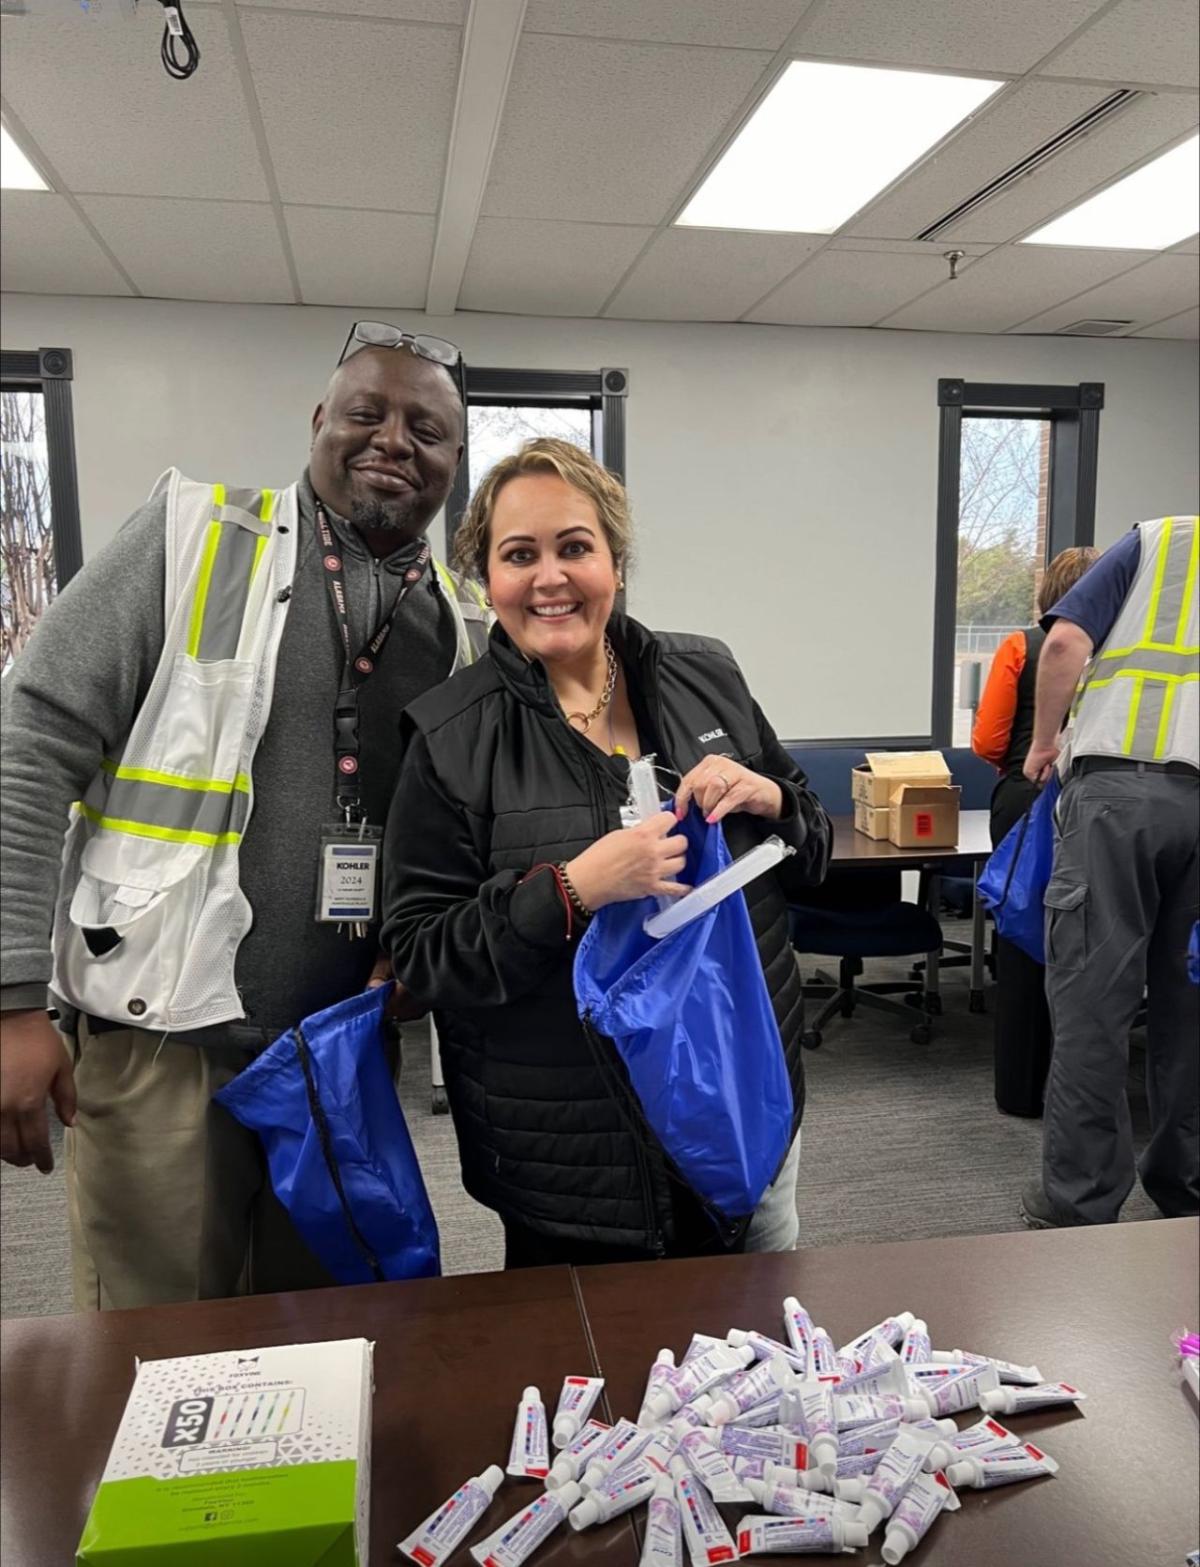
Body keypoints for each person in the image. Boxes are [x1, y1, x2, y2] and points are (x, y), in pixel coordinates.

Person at [0, 321, 490, 1308]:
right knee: (151, 1356)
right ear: (318, 422)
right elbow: (29, 742)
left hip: (338, 1061)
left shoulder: (458, 624)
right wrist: (10, 999)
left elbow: (446, 834)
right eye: (367, 412)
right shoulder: (199, 540)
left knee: (320, 1342)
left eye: (428, 430)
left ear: (454, 463)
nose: (395, 439)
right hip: (160, 1048)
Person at [381, 438, 832, 1267]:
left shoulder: (708, 676)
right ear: (488, 578)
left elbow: (813, 845)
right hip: (579, 1174)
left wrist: (771, 798)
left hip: (747, 1110)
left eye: (574, 547)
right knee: (598, 1386)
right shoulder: (450, 737)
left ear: (615, 561)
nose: (549, 577)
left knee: (760, 1363)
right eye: (520, 555)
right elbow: (422, 953)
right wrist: (573, 889)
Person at [1019, 514, 1199, 1228]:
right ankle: (1186, 1190)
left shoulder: (1158, 539)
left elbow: (1064, 641)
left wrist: (1042, 743)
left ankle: (1082, 1206)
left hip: (1121, 797)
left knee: (1094, 1006)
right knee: (1190, 1011)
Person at [972, 546, 1098, 1117]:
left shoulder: (1024, 644)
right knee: (1095, 942)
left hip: (1030, 792)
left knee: (1025, 934)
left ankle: (1022, 1091)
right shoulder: (1125, 651)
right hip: (1102, 800)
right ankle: (1091, 1092)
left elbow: (989, 741)